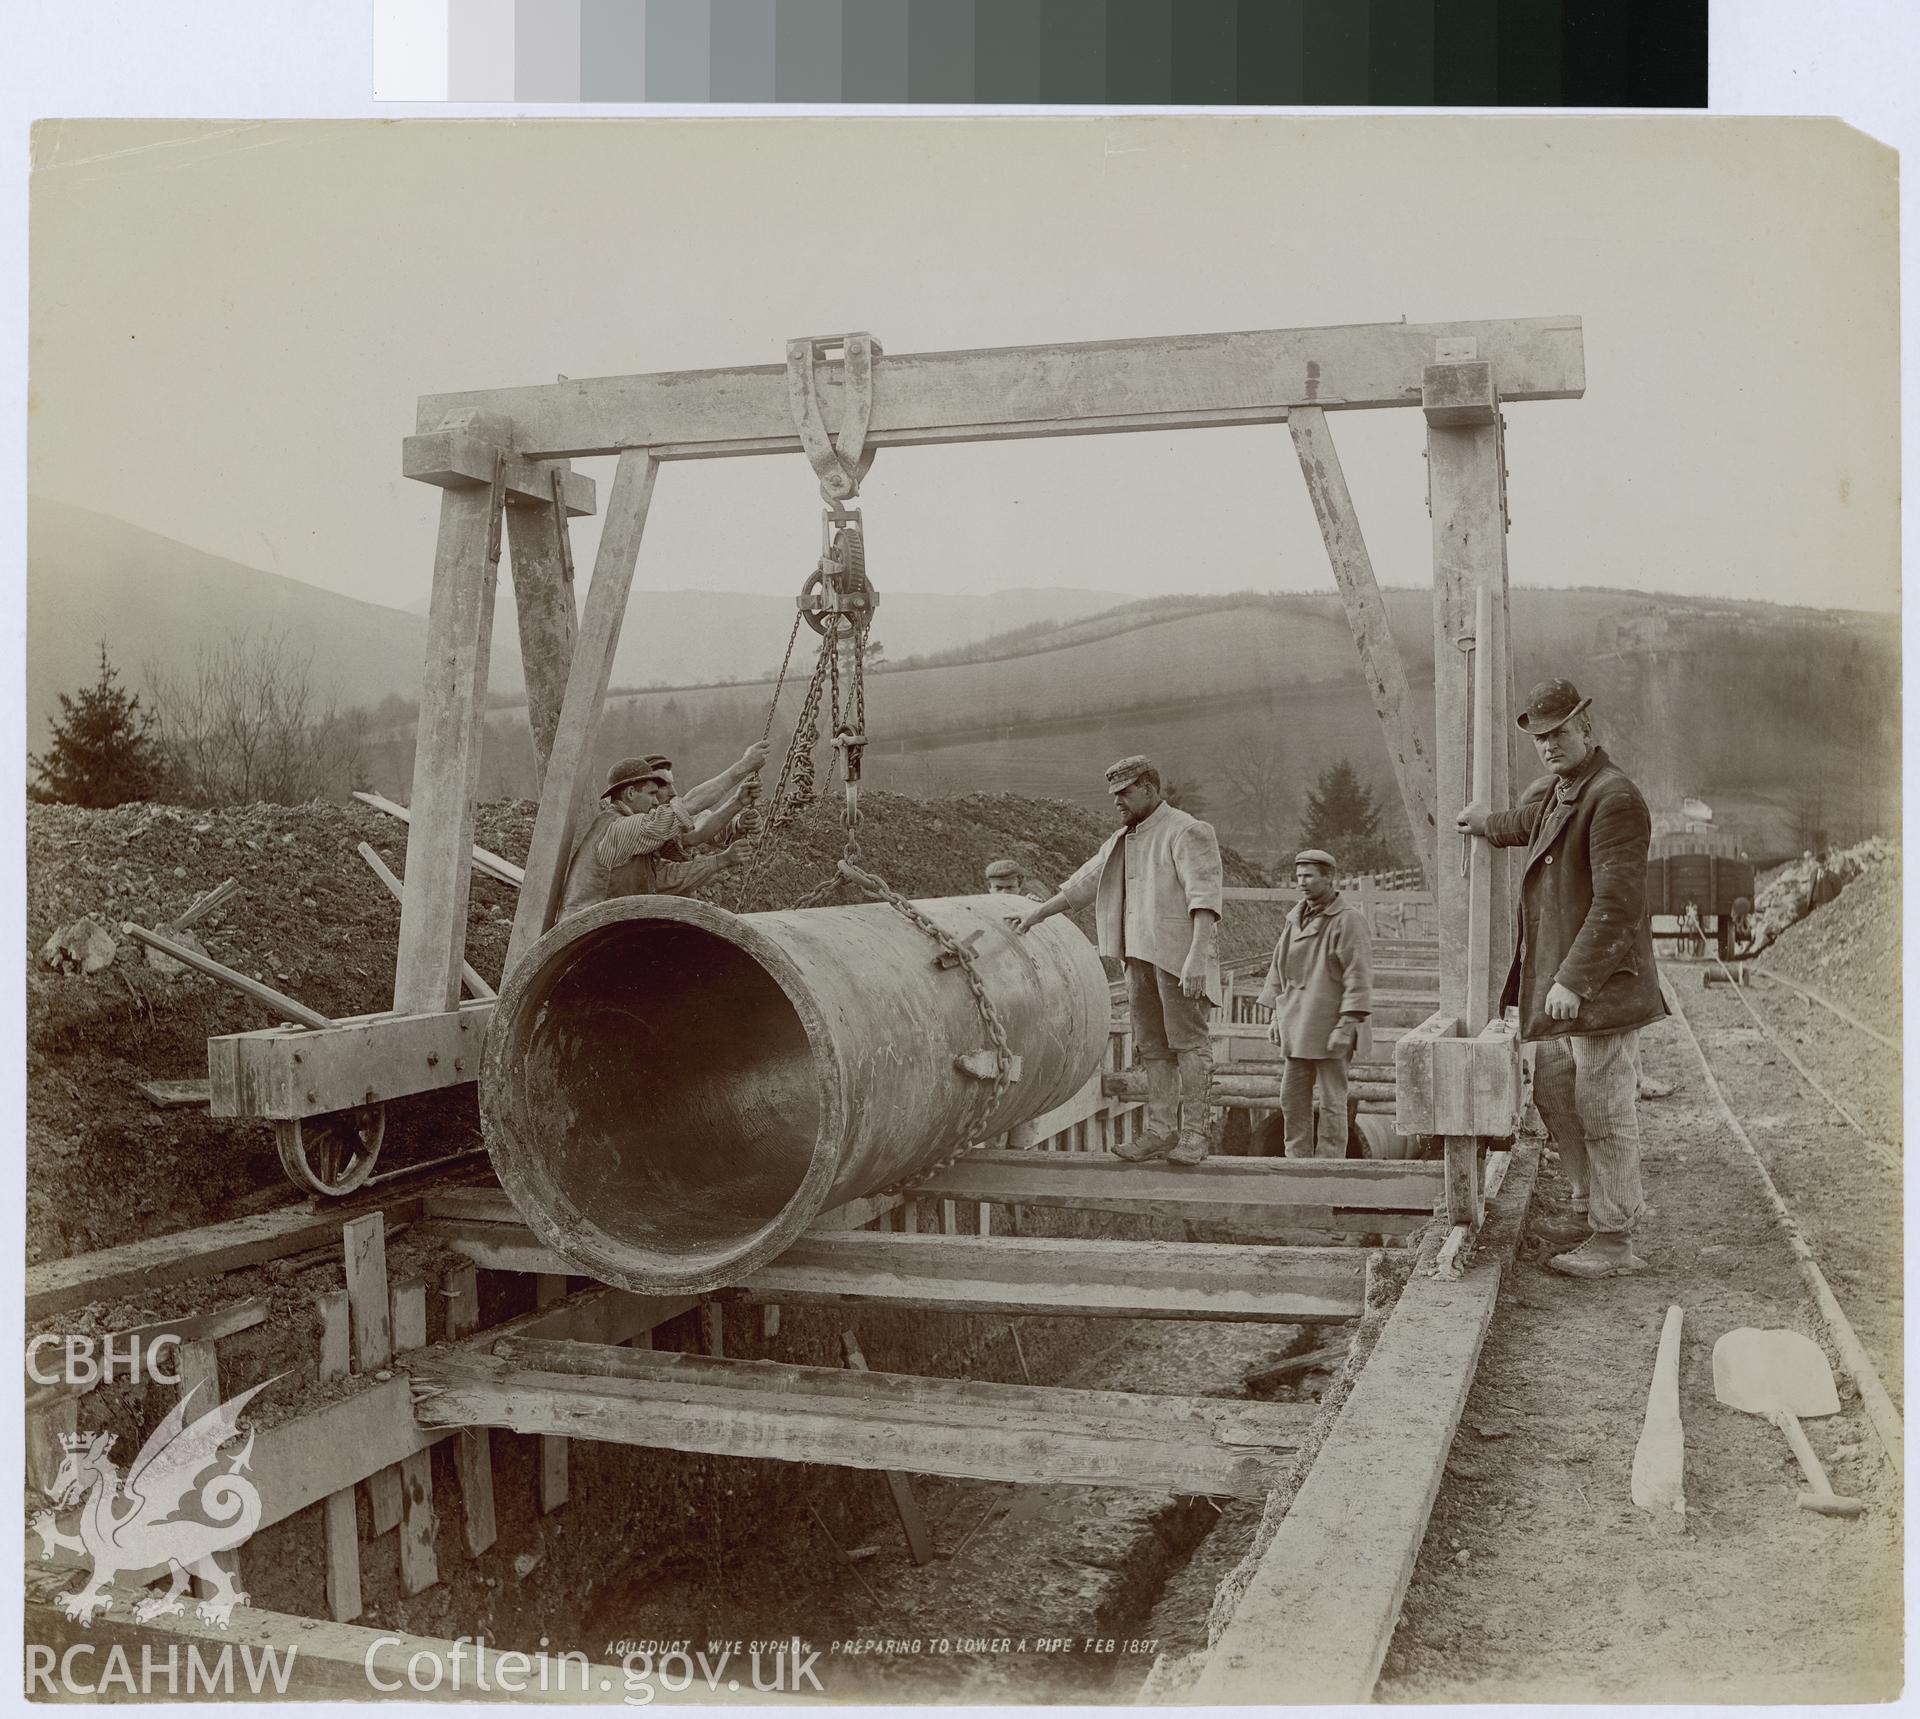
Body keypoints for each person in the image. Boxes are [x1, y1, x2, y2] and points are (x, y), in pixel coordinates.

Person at [1458, 678, 1666, 1279]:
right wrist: (1485, 824)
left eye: (1559, 733)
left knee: (1603, 1109)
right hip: (1567, 988)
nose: (1549, 745)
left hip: (1598, 987)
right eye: (1541, 737)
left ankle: (1616, 1237)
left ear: (1587, 730)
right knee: (1553, 1090)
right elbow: (1531, 822)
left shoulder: (1615, 798)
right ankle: (1586, 1206)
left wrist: (1573, 980)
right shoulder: (1567, 790)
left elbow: (1618, 905)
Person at [1014, 756, 1223, 1165]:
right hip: (1138, 958)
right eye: (1114, 795)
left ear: (1149, 787)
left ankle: (1195, 1134)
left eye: (1125, 793)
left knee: (1189, 1044)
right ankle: (1161, 1131)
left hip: (1178, 960)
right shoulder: (1123, 840)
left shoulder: (1186, 831)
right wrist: (1036, 913)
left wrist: (1198, 956)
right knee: (1154, 1048)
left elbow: (1205, 898)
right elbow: (1083, 884)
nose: (1118, 802)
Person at [559, 742, 767, 920]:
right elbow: (688, 807)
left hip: (601, 929)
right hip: (588, 934)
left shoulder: (634, 837)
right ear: (631, 793)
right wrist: (744, 766)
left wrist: (722, 857)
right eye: (651, 793)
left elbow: (665, 876)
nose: (656, 800)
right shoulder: (621, 828)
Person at [1258, 850, 1374, 1159]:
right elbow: (1277, 968)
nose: (1302, 883)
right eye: (1298, 877)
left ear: (1329, 877)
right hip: (1297, 1025)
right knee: (1291, 1098)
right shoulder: (1295, 918)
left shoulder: (1348, 920)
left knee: (1332, 1101)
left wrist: (1347, 1024)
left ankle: (1329, 1163)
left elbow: (1358, 975)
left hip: (1331, 1026)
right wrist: (1274, 1017)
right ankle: (1297, 1160)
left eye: (1309, 876)